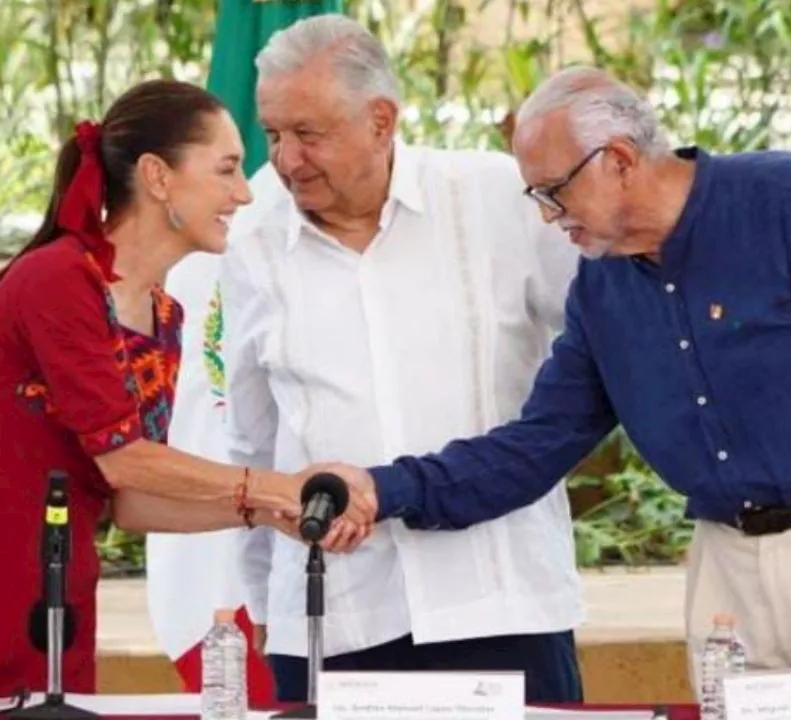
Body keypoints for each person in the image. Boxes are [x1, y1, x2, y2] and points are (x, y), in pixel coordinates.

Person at [323, 66, 791, 699]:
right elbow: (537, 446)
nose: (546, 216)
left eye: (554, 192)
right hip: (726, 572)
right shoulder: (602, 288)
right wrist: (383, 489)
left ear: (618, 159)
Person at [0, 78, 372, 701]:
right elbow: (124, 456)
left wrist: (272, 512)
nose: (245, 192)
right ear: (157, 176)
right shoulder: (59, 278)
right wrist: (275, 484)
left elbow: (129, 498)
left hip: (54, 593)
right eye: (227, 169)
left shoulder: (165, 316)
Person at [217, 15, 587, 704]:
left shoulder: (496, 198)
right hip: (334, 612)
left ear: (381, 120)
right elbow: (253, 437)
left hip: (498, 596)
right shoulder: (248, 241)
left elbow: (598, 344)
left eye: (308, 134)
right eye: (273, 134)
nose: (287, 160)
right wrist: (267, 606)